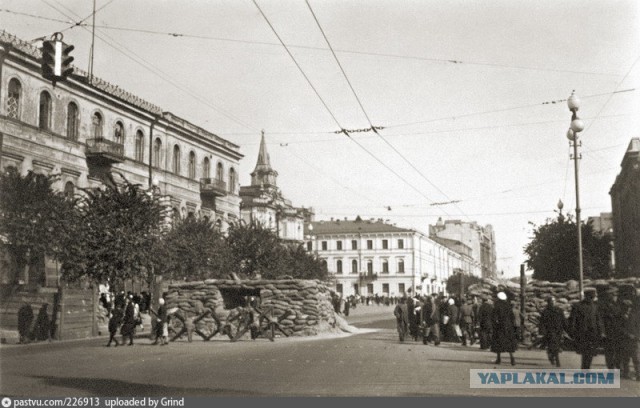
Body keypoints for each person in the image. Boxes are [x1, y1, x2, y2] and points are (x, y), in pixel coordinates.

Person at [568, 288, 604, 369]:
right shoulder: (577, 306)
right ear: (586, 296)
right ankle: (585, 368)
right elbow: (573, 320)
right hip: (582, 333)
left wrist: (601, 331)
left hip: (593, 333)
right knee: (585, 352)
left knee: (590, 352)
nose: (592, 299)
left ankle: (586, 367)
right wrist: (572, 332)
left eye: (593, 297)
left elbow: (598, 320)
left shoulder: (595, 306)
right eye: (591, 297)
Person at [599, 287, 624, 370]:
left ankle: (619, 366)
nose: (614, 296)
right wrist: (602, 332)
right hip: (608, 331)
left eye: (615, 295)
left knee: (619, 350)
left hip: (619, 331)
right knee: (609, 351)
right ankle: (611, 368)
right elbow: (601, 319)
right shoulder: (603, 305)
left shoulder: (620, 304)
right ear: (608, 295)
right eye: (612, 294)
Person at [491, 291, 517, 365]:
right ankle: (512, 359)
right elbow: (512, 317)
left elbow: (494, 317)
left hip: (500, 326)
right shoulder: (508, 306)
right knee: (509, 343)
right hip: (508, 327)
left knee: (498, 342)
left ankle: (498, 358)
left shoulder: (497, 305)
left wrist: (495, 324)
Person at [539, 296, 566, 367]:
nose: (552, 303)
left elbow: (563, 320)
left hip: (558, 330)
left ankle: (552, 356)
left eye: (553, 301)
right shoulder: (545, 311)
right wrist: (542, 331)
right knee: (552, 345)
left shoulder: (559, 310)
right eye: (551, 301)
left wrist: (566, 328)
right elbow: (542, 322)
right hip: (549, 330)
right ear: (548, 302)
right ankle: (556, 359)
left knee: (556, 344)